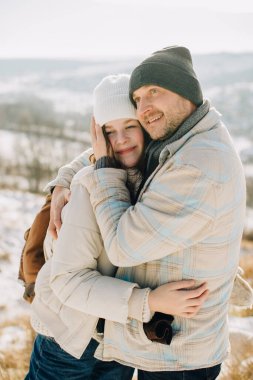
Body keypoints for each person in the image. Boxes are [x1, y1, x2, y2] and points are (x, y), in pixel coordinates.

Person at [48, 46, 247, 380]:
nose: (145, 107)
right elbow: (123, 146)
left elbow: (124, 247)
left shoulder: (197, 164)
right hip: (89, 341)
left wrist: (103, 169)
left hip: (179, 355)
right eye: (138, 98)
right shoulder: (180, 140)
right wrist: (66, 178)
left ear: (186, 91)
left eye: (154, 91)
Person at [25, 74, 209, 380]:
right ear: (99, 137)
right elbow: (68, 282)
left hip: (117, 339)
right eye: (109, 131)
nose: (120, 139)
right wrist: (149, 302)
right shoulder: (88, 188)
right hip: (69, 343)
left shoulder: (151, 178)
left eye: (129, 126)